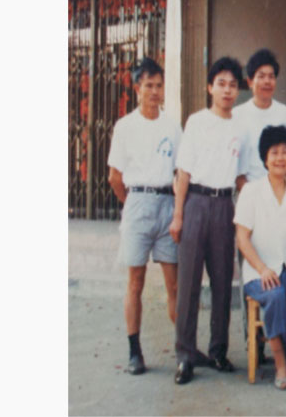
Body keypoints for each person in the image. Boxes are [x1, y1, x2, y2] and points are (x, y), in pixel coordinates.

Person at [170, 56, 251, 385]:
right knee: (189, 282)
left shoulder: (240, 128)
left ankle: (218, 350)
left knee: (222, 281)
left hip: (224, 206)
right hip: (196, 203)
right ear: (210, 87)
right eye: (221, 84)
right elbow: (184, 171)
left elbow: (241, 177)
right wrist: (178, 215)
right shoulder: (197, 122)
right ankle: (185, 355)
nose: (227, 90)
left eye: (232, 85)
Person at [107, 57, 181, 375]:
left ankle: (183, 349)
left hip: (167, 204)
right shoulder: (125, 126)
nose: (154, 91)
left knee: (173, 284)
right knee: (135, 281)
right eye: (148, 85)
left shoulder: (172, 126)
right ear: (137, 88)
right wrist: (132, 203)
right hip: (137, 202)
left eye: (159, 86)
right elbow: (114, 177)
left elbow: (180, 172)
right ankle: (134, 350)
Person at [234, 125, 286, 390]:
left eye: (285, 152)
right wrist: (262, 269)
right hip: (258, 271)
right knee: (275, 294)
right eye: (274, 152)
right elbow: (242, 238)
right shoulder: (251, 192)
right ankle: (280, 364)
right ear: (265, 158)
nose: (280, 158)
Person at [235, 49, 286, 184]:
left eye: (271, 76)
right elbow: (236, 166)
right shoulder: (237, 115)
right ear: (250, 82)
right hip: (249, 190)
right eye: (261, 76)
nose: (267, 81)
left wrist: (285, 192)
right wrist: (251, 193)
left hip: (281, 190)